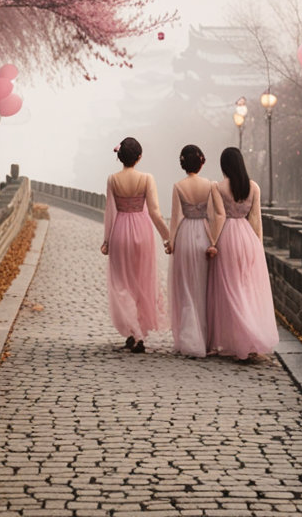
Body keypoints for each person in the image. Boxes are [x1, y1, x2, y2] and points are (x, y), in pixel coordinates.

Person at [207, 146, 278, 360]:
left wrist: (213, 242)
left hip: (228, 236)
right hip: (248, 238)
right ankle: (251, 340)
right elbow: (256, 219)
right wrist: (258, 244)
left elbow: (218, 217)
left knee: (230, 289)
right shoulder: (253, 187)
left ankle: (239, 338)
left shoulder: (218, 187)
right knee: (247, 287)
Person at [101, 136, 170, 352]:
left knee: (122, 284)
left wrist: (106, 241)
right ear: (139, 157)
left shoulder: (113, 179)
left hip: (120, 230)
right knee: (142, 281)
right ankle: (139, 333)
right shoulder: (147, 178)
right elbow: (156, 212)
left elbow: (110, 212)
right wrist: (168, 237)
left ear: (120, 156)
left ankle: (133, 331)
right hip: (142, 229)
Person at [166, 144, 226, 357]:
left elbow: (174, 218)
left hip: (184, 234)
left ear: (183, 163)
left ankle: (188, 338)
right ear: (201, 162)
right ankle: (205, 338)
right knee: (203, 287)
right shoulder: (210, 185)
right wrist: (214, 240)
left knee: (186, 287)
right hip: (203, 232)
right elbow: (219, 214)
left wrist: (170, 241)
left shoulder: (178, 186)